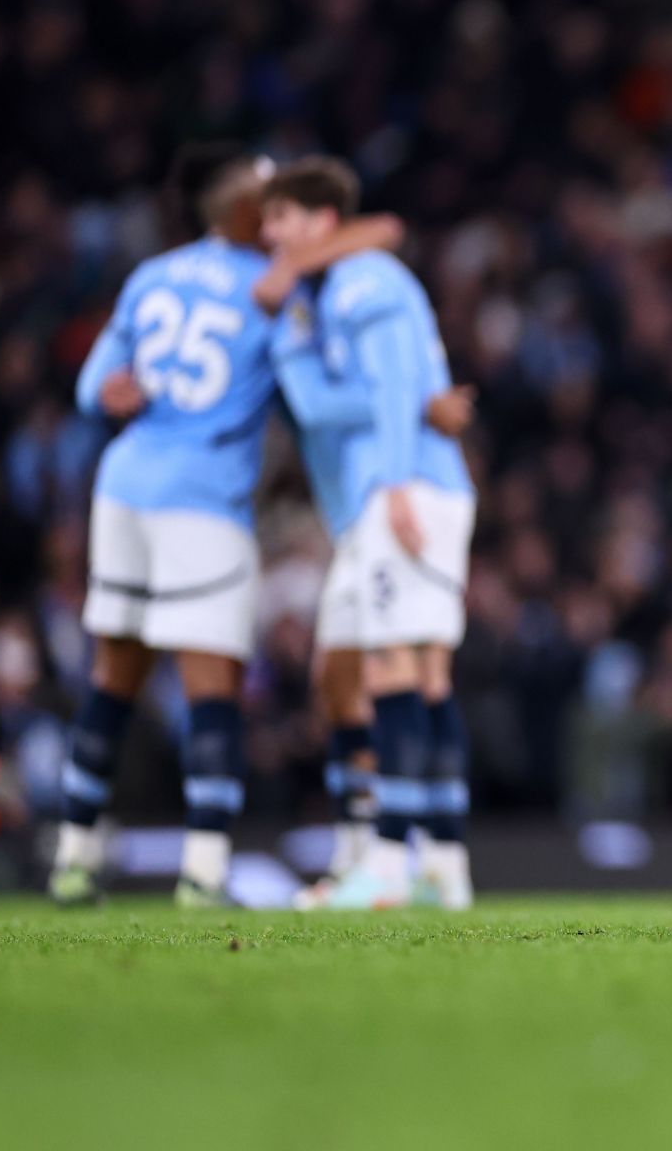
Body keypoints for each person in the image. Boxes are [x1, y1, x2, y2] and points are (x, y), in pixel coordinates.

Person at [51, 143, 399, 907]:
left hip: (123, 489)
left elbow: (90, 386)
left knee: (114, 681)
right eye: (267, 199)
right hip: (202, 496)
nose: (278, 214)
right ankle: (203, 872)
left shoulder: (153, 274)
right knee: (214, 690)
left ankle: (72, 856)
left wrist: (102, 397)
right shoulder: (270, 289)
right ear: (242, 212)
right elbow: (379, 237)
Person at [259, 157, 478, 910]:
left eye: (280, 217)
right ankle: (440, 862)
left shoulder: (365, 284)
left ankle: (389, 863)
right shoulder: (340, 286)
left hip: (400, 490)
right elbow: (383, 396)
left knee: (393, 666)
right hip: (384, 496)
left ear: (321, 222)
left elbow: (378, 392)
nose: (269, 234)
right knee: (390, 671)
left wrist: (393, 485)